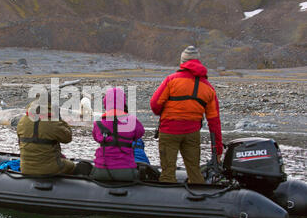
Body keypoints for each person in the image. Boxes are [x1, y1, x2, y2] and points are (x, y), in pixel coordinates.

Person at [150, 46, 223, 184]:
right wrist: (218, 149)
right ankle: (199, 199)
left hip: (169, 132)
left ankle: (167, 200)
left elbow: (155, 105)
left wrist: (165, 111)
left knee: (167, 172)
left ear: (182, 62)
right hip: (192, 134)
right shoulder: (208, 88)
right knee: (194, 172)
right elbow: (214, 122)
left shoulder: (171, 80)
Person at [91, 88, 145, 181]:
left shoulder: (98, 123)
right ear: (123, 101)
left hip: (101, 171)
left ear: (106, 102)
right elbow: (140, 133)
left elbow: (96, 137)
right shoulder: (132, 120)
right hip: (126, 171)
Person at [17, 97, 75, 175]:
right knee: (72, 166)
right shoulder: (53, 122)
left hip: (25, 168)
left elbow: (19, 142)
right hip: (49, 169)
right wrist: (59, 119)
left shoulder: (22, 120)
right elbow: (68, 138)